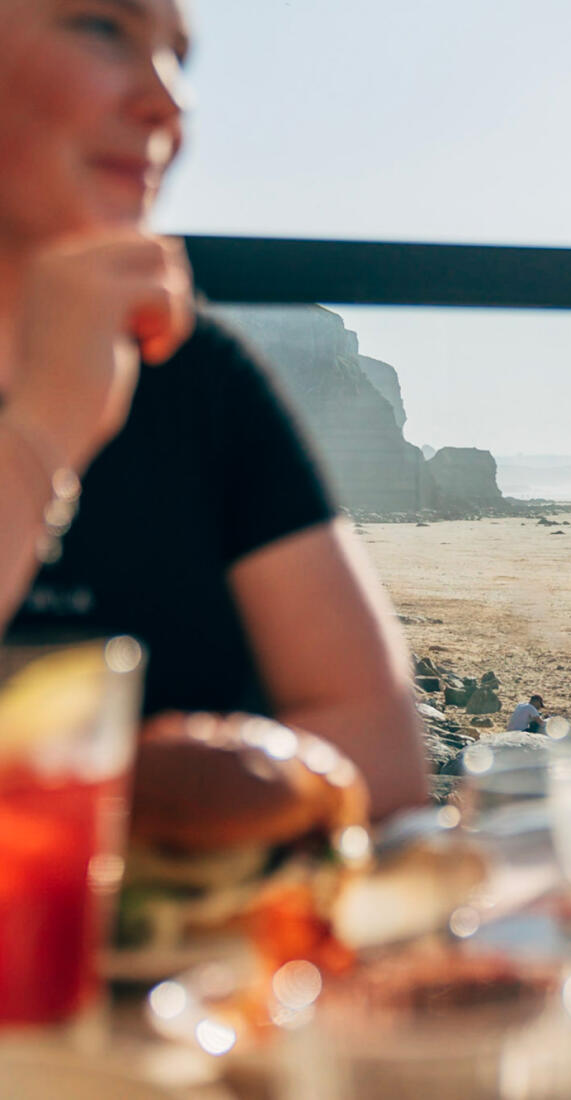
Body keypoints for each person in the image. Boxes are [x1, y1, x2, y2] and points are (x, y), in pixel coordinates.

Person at [0, 0, 427, 817]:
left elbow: (380, 746)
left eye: (178, 57)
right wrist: (45, 427)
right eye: (102, 27)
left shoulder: (196, 369)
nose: (172, 102)